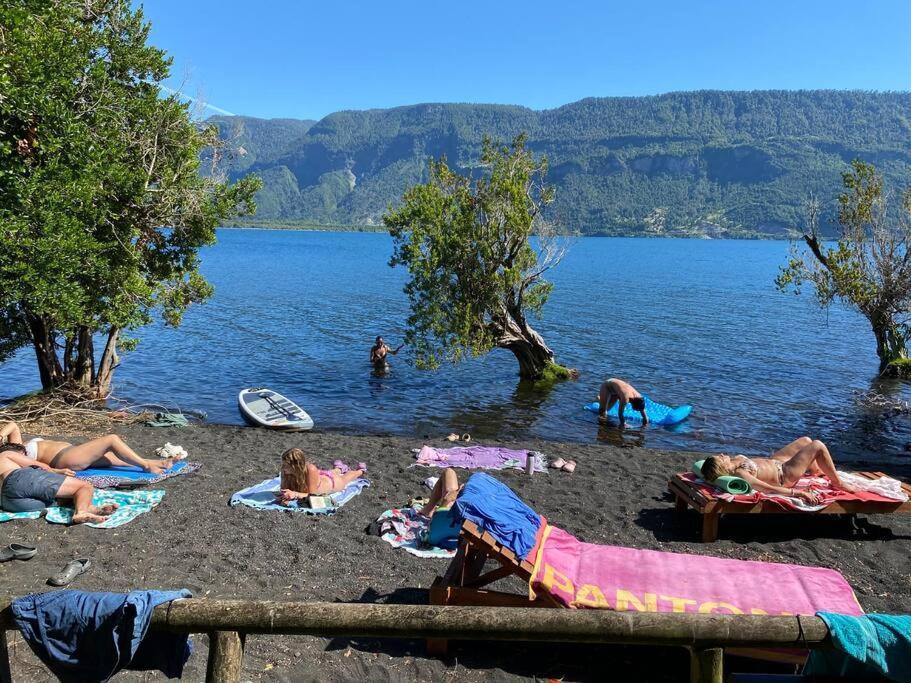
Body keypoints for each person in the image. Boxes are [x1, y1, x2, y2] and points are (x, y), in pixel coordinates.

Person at [700, 437, 856, 504]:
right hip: (785, 474)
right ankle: (838, 482)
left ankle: (815, 471)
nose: (721, 454)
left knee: (806, 441)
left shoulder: (733, 462)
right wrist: (800, 493)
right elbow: (768, 488)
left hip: (776, 461)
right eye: (720, 458)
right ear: (723, 468)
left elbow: (704, 470)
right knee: (817, 445)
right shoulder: (740, 474)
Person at [0, 443, 115, 524]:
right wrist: (57, 471)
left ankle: (90, 509)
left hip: (8, 502)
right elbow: (41, 466)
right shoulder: (5, 454)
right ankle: (81, 512)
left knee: (62, 499)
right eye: (24, 454)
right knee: (84, 487)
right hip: (18, 478)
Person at [0, 421, 172, 474]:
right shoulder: (10, 457)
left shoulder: (16, 445)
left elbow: (13, 425)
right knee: (111, 440)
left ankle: (153, 462)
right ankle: (146, 466)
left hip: (72, 451)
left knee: (112, 459)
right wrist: (57, 472)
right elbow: (36, 468)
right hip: (65, 459)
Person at [276, 448, 365, 506]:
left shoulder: (310, 469)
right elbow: (284, 490)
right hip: (318, 477)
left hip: (331, 482)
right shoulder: (285, 470)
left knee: (346, 478)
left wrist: (295, 494)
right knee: (331, 472)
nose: (283, 467)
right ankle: (339, 468)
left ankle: (360, 471)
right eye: (283, 464)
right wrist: (285, 496)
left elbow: (313, 496)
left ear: (296, 466)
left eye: (286, 465)